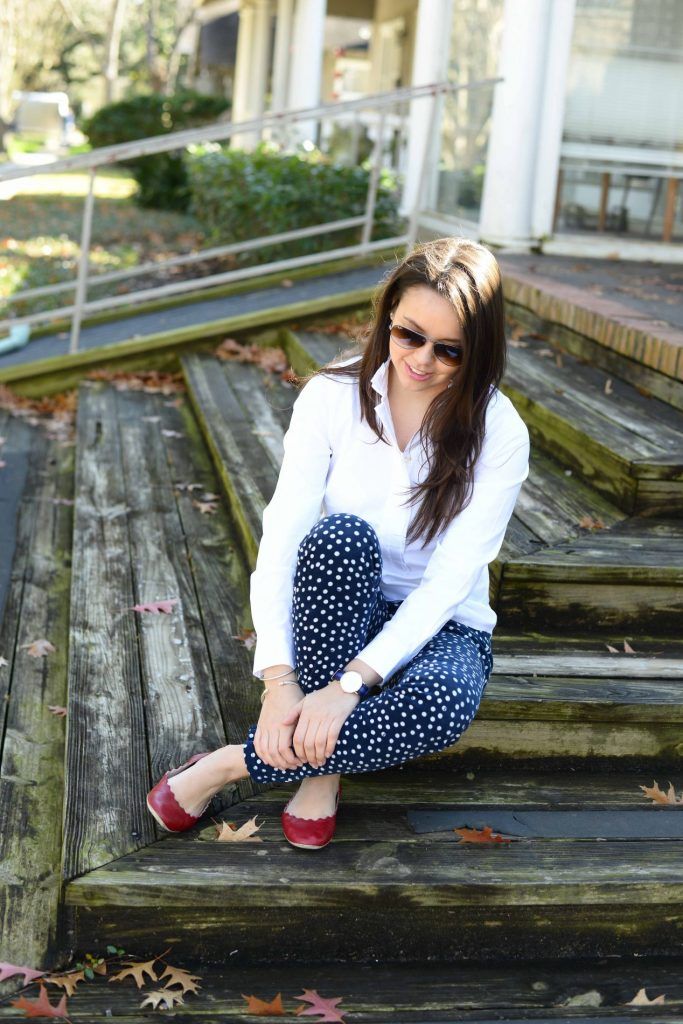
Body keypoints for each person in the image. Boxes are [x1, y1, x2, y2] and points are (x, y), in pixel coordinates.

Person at [146, 236, 530, 849]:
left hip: (442, 620)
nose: (422, 360)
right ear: (388, 317)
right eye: (409, 335)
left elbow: (452, 579)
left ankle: (225, 765)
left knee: (443, 704)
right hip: (344, 601)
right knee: (338, 539)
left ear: (479, 349)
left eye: (449, 349)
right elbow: (283, 534)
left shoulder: (499, 429)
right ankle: (320, 773)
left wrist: (349, 686)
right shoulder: (331, 396)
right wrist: (280, 682)